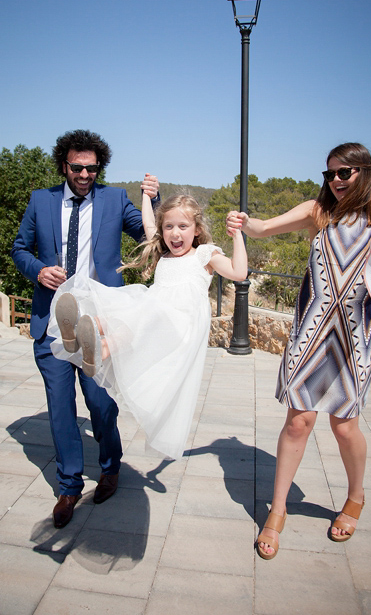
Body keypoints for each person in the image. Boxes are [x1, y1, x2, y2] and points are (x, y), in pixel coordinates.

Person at [225, 142, 371, 560]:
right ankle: (278, 511)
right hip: (312, 332)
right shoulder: (318, 212)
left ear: (364, 172)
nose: (336, 181)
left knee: (344, 427)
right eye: (330, 174)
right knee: (297, 423)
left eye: (344, 173)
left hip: (355, 335)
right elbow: (265, 228)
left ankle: (355, 497)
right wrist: (244, 221)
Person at [11, 128, 159, 529]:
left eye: (92, 169)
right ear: (64, 165)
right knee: (61, 410)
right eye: (77, 167)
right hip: (53, 322)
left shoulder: (114, 199)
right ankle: (69, 486)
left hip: (99, 323)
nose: (85, 174)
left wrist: (152, 199)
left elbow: (149, 234)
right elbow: (19, 249)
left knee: (100, 405)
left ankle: (111, 467)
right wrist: (38, 270)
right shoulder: (41, 201)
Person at [46, 193, 247, 460]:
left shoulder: (204, 254)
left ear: (197, 229)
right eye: (169, 227)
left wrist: (237, 235)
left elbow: (238, 272)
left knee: (140, 310)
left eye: (183, 227)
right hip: (157, 314)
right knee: (131, 307)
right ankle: (85, 336)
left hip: (180, 323)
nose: (175, 234)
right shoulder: (164, 254)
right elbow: (149, 224)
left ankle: (98, 342)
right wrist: (146, 196)